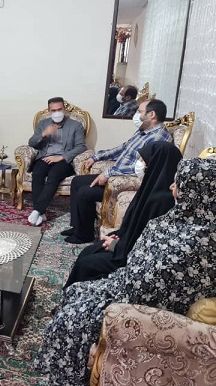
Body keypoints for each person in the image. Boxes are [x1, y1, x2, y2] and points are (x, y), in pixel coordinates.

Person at [35, 157, 216, 385]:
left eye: (179, 183)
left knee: (70, 318)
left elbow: (151, 285)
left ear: (198, 192)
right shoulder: (181, 219)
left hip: (141, 307)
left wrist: (118, 275)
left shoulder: (198, 242)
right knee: (75, 291)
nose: (172, 186)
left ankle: (68, 377)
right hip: (127, 283)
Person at [63, 141, 182, 288]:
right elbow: (134, 227)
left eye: (144, 161)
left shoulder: (162, 201)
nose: (141, 164)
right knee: (89, 251)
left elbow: (146, 246)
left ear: (157, 164)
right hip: (125, 246)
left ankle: (74, 297)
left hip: (133, 259)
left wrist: (116, 245)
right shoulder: (149, 189)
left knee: (86, 264)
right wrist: (119, 236)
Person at [61, 99, 172, 244]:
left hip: (123, 181)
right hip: (115, 173)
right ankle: (77, 227)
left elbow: (140, 168)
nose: (136, 115)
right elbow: (123, 147)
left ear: (151, 115)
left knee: (84, 192)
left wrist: (107, 174)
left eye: (140, 112)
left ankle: (83, 235)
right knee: (77, 181)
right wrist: (97, 157)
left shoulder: (158, 138)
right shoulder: (144, 131)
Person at [27, 97, 87, 226]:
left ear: (64, 109)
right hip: (45, 157)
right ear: (49, 111)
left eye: (59, 109)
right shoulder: (43, 123)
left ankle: (37, 210)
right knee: (37, 173)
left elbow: (81, 146)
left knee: (53, 175)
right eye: (53, 110)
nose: (57, 113)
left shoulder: (75, 125)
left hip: (64, 160)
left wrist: (62, 157)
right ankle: (41, 213)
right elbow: (31, 143)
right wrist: (44, 134)